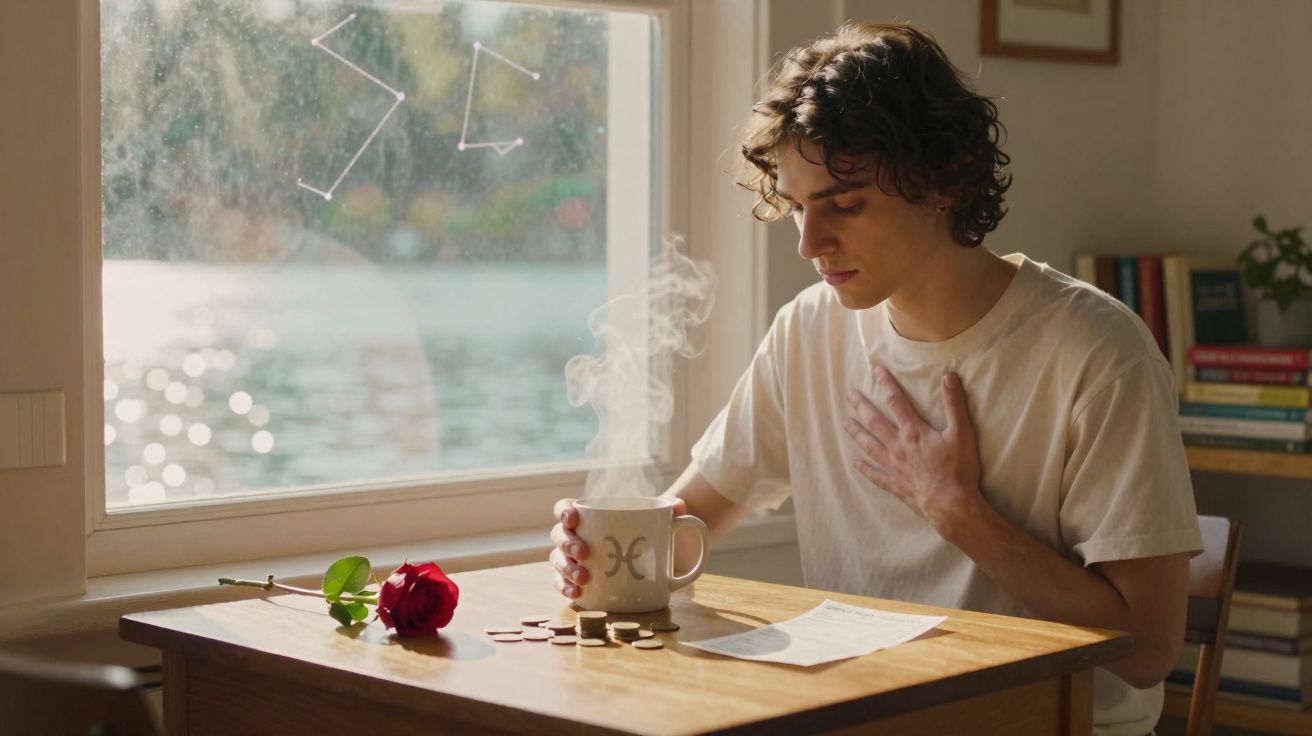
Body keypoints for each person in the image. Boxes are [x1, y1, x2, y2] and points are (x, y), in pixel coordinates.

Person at [550, 23, 1201, 736]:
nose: (809, 243)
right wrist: (612, 553)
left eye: (845, 204)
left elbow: (1148, 648)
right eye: (797, 206)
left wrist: (957, 512)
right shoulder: (809, 330)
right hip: (870, 716)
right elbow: (693, 516)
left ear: (945, 180)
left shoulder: (1100, 354)